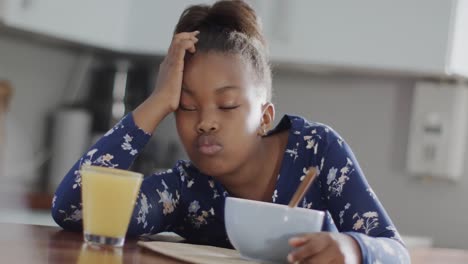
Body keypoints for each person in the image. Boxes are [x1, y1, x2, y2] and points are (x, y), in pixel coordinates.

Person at [52, 1, 410, 263]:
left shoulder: (318, 149)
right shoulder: (184, 193)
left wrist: (352, 248)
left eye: (227, 106)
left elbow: (394, 250)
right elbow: (74, 209)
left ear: (265, 116)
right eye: (187, 107)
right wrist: (158, 101)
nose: (205, 121)